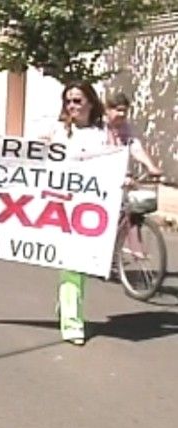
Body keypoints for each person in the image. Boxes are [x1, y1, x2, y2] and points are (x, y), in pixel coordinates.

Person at [43, 81, 108, 346]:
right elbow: (35, 154)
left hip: (89, 208)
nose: (72, 106)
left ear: (90, 103)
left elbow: (111, 161)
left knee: (80, 265)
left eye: (78, 101)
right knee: (71, 263)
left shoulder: (102, 133)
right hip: (59, 206)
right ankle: (72, 324)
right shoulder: (58, 130)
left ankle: (67, 304)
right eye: (68, 101)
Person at [104, 92, 162, 177]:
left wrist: (150, 166)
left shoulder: (125, 128)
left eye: (125, 111)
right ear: (107, 110)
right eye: (118, 110)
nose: (122, 114)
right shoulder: (98, 127)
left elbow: (135, 147)